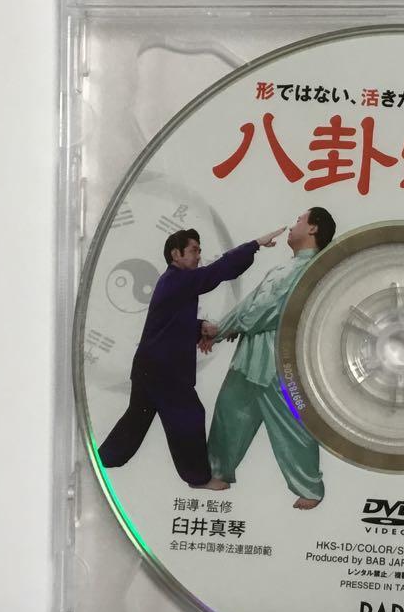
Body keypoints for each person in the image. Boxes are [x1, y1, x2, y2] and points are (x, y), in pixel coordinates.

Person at [97, 226, 285, 487]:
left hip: (149, 367)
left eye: (199, 251)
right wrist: (254, 244)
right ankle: (198, 478)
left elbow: (171, 322)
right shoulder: (178, 280)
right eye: (194, 251)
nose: (198, 256)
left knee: (136, 419)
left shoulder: (174, 282)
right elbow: (217, 272)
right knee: (189, 416)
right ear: (176, 254)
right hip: (164, 371)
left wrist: (200, 327)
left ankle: (103, 460)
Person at [201, 208, 336, 508]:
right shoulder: (285, 267)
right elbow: (252, 303)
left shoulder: (310, 269)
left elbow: (268, 310)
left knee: (291, 423)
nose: (293, 225)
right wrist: (220, 329)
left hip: (280, 359)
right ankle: (217, 472)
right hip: (251, 354)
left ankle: (309, 488)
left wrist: (229, 327)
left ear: (313, 229)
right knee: (229, 412)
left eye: (299, 220)